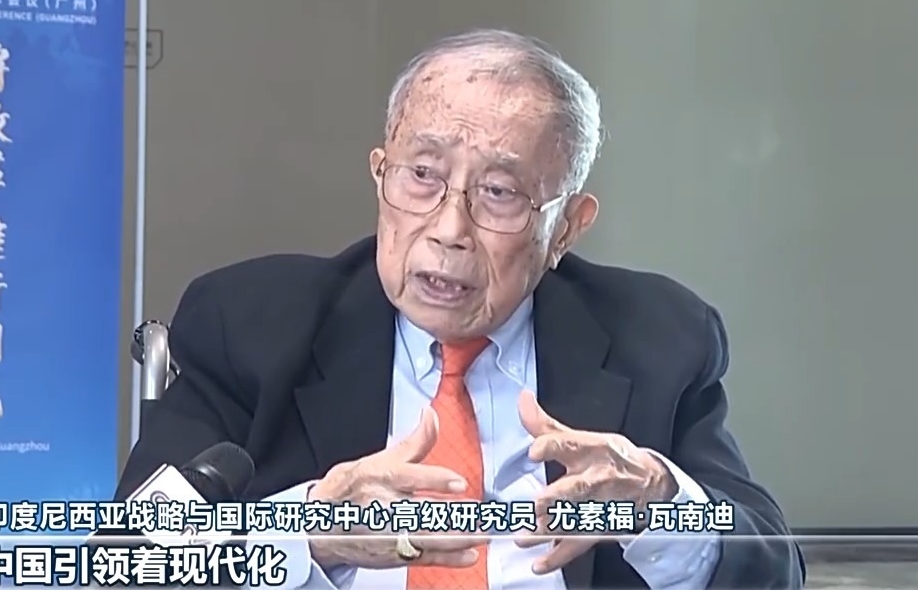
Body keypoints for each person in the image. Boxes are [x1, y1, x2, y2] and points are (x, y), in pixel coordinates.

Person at [117, 29, 804, 589]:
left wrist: (660, 506)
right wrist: (306, 534)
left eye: (500, 192)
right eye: (423, 175)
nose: (449, 229)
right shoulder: (251, 325)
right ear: (380, 176)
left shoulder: (657, 339)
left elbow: (772, 570)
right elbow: (124, 560)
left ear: (566, 228)